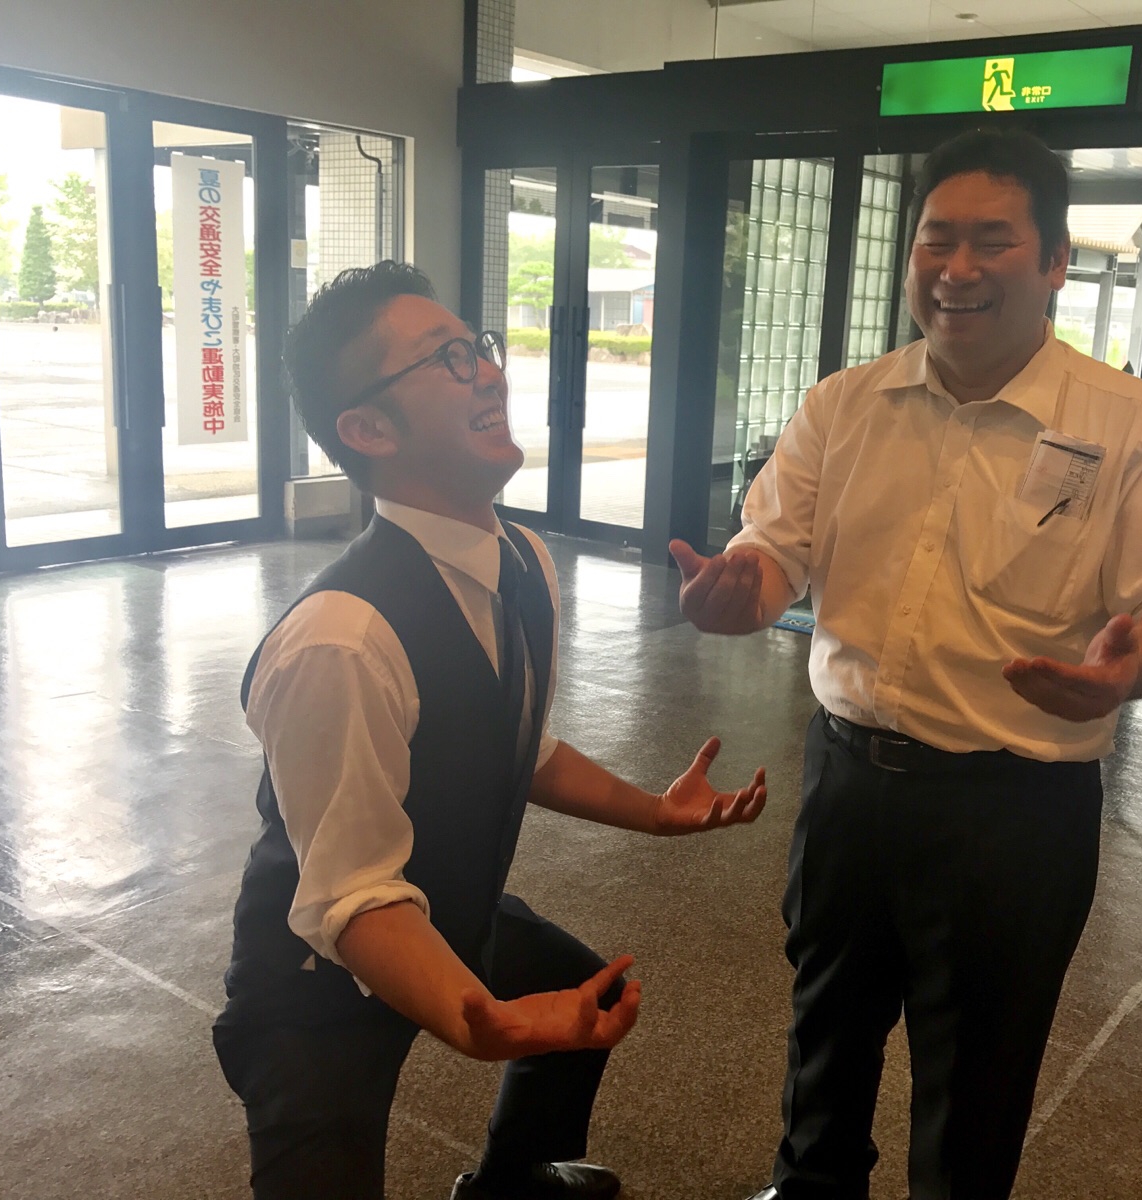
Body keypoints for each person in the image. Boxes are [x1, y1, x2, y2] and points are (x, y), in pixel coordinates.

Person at [671, 129, 1142, 1200]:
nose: (956, 269)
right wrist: (739, 594)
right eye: (935, 240)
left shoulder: (1137, 427)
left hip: (1015, 809)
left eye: (992, 241)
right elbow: (773, 552)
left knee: (979, 1070)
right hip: (849, 783)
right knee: (825, 1022)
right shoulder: (844, 405)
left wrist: (1125, 673)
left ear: (1055, 260)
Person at [213, 262, 768, 1200]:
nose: (491, 374)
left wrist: (654, 813)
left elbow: (520, 746)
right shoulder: (340, 640)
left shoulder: (523, 561)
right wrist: (480, 1022)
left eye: (479, 348)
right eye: (448, 359)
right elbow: (354, 897)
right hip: (315, 982)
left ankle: (513, 1180)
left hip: (449, 908)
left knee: (585, 994)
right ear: (368, 429)